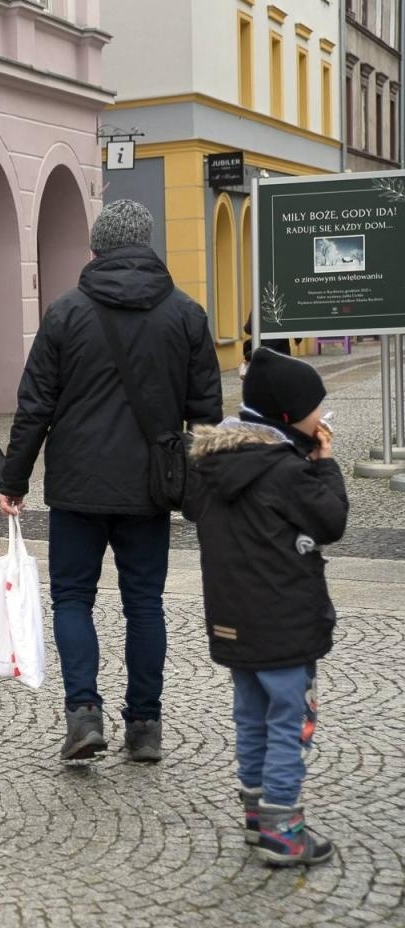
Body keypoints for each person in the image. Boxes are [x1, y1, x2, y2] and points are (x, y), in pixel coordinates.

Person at [0, 200, 221, 763]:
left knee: (73, 598)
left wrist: (14, 479)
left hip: (78, 485)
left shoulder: (65, 313)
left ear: (95, 248)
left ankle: (84, 716)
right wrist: (204, 485)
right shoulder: (187, 315)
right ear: (148, 246)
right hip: (150, 487)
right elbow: (208, 416)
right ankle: (145, 726)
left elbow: (34, 407)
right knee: (144, 603)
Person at [189, 348, 345, 867]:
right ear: (284, 414)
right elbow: (330, 522)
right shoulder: (285, 471)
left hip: (233, 619)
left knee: (251, 715)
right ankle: (282, 832)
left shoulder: (217, 465)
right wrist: (325, 466)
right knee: (289, 719)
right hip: (283, 621)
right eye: (313, 407)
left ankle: (258, 817)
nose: (320, 416)